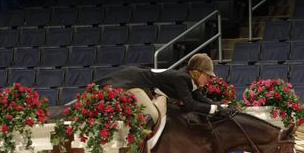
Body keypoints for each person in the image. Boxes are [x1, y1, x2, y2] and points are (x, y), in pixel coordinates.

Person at [93, 53, 222, 129]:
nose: (209, 79)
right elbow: (190, 105)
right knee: (153, 115)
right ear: (197, 72)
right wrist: (213, 109)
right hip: (136, 83)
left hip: (146, 86)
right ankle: (134, 150)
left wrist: (219, 106)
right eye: (208, 76)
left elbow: (198, 97)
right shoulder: (182, 78)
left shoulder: (189, 79)